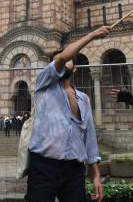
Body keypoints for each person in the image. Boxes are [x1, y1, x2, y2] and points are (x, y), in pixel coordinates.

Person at [25, 26, 110, 202]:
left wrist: (95, 175)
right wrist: (92, 35)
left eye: (68, 60)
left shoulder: (84, 99)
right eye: (58, 62)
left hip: (74, 170)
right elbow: (62, 57)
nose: (63, 62)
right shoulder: (44, 86)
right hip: (44, 166)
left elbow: (90, 138)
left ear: (75, 68)